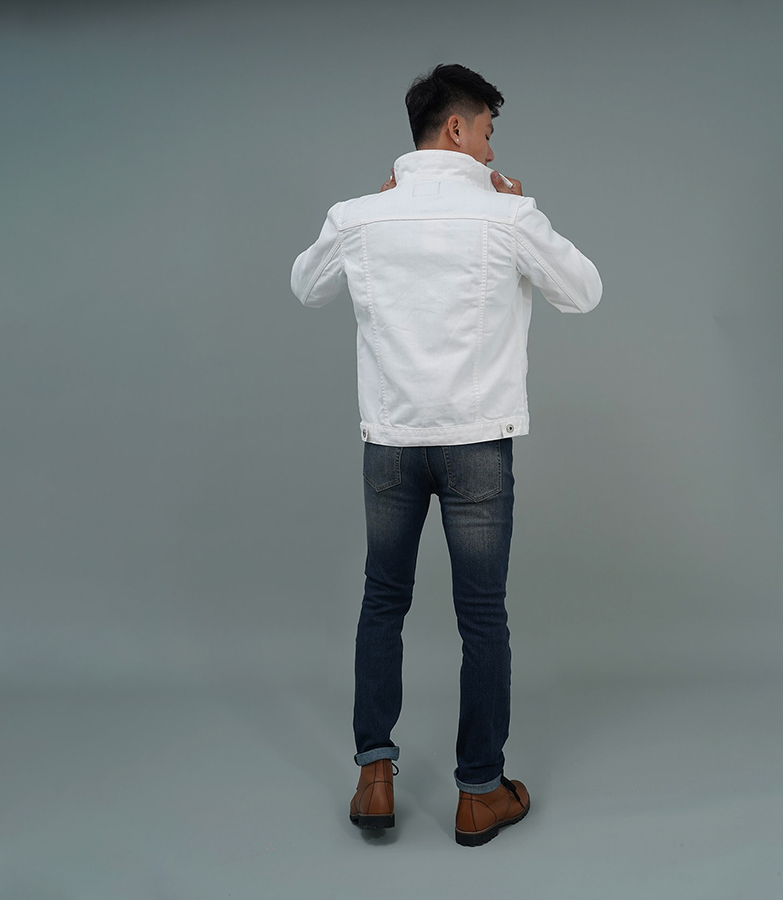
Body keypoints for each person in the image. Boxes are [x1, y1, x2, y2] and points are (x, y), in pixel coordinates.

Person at [290, 63, 601, 846]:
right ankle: (480, 793)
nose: (492, 151)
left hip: (391, 445)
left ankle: (373, 778)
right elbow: (583, 291)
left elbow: (305, 286)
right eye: (488, 132)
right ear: (457, 128)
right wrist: (523, 209)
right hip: (476, 447)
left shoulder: (360, 216)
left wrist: (371, 216)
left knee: (382, 601)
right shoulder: (508, 213)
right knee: (482, 616)